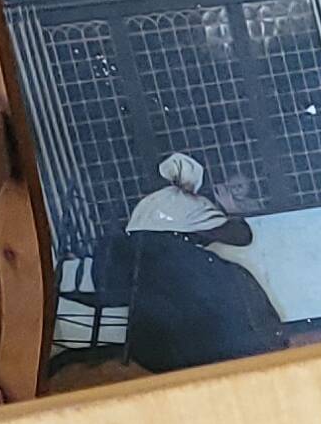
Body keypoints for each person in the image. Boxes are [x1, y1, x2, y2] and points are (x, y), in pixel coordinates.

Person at [112, 150, 286, 371]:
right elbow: (241, 236)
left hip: (145, 278)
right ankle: (248, 345)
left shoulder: (148, 203)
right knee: (236, 279)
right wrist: (230, 210)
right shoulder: (190, 202)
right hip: (178, 274)